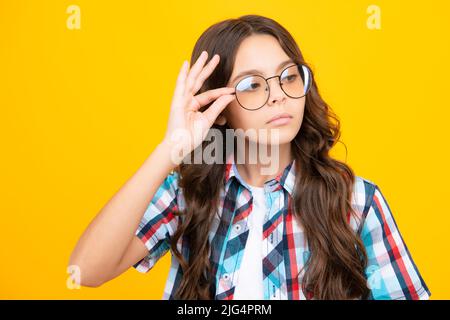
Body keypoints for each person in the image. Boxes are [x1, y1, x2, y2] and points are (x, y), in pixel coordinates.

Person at [68, 14, 431, 300]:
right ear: (220, 107)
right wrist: (170, 149)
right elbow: (86, 271)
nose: (278, 95)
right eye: (252, 84)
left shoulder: (356, 201)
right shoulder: (188, 192)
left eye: (287, 76)